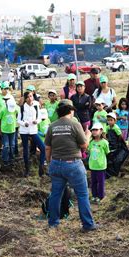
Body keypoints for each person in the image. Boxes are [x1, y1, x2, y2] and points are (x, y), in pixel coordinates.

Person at [44, 99, 98, 232]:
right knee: (82, 195)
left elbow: (47, 148)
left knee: (56, 194)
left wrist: (50, 162)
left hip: (56, 163)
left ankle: (53, 223)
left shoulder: (52, 126)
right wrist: (88, 135)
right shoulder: (75, 125)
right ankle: (88, 224)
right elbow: (84, 146)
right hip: (73, 164)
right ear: (71, 110)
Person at [18, 92, 46, 177]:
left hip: (33, 130)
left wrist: (36, 121)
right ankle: (27, 169)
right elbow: (18, 120)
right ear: (25, 99)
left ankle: (41, 167)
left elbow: (40, 118)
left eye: (31, 96)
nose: (30, 98)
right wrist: (24, 123)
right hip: (24, 131)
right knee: (26, 150)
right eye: (28, 97)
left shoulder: (36, 105)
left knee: (42, 148)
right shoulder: (22, 107)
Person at [88, 123, 110, 204]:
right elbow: (89, 151)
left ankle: (100, 196)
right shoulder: (91, 142)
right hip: (93, 166)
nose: (94, 131)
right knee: (93, 182)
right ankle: (94, 195)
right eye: (93, 130)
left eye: (96, 130)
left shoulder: (104, 142)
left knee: (100, 182)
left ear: (101, 131)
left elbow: (107, 152)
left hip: (101, 166)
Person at [0, 94, 19, 166]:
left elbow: (17, 114)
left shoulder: (14, 108)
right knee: (6, 145)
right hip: (5, 130)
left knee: (12, 145)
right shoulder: (3, 109)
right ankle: (5, 160)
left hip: (12, 130)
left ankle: (11, 158)